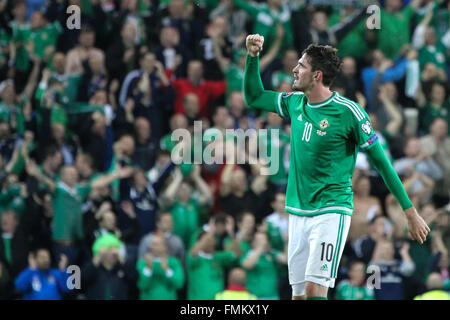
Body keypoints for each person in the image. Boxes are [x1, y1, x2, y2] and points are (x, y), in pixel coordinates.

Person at [243, 34, 430, 300]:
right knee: (298, 296)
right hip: (297, 210)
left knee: (314, 290)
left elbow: (382, 163)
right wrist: (252, 57)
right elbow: (254, 96)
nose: (294, 70)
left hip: (331, 210)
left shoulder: (349, 113)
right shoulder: (295, 103)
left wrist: (410, 212)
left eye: (301, 66)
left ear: (317, 75)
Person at [136, 234, 184, 300]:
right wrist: (148, 268)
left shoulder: (173, 262)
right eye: (151, 244)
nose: (152, 247)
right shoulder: (143, 263)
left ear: (165, 247)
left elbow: (179, 284)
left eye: (156, 244)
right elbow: (142, 286)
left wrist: (167, 270)